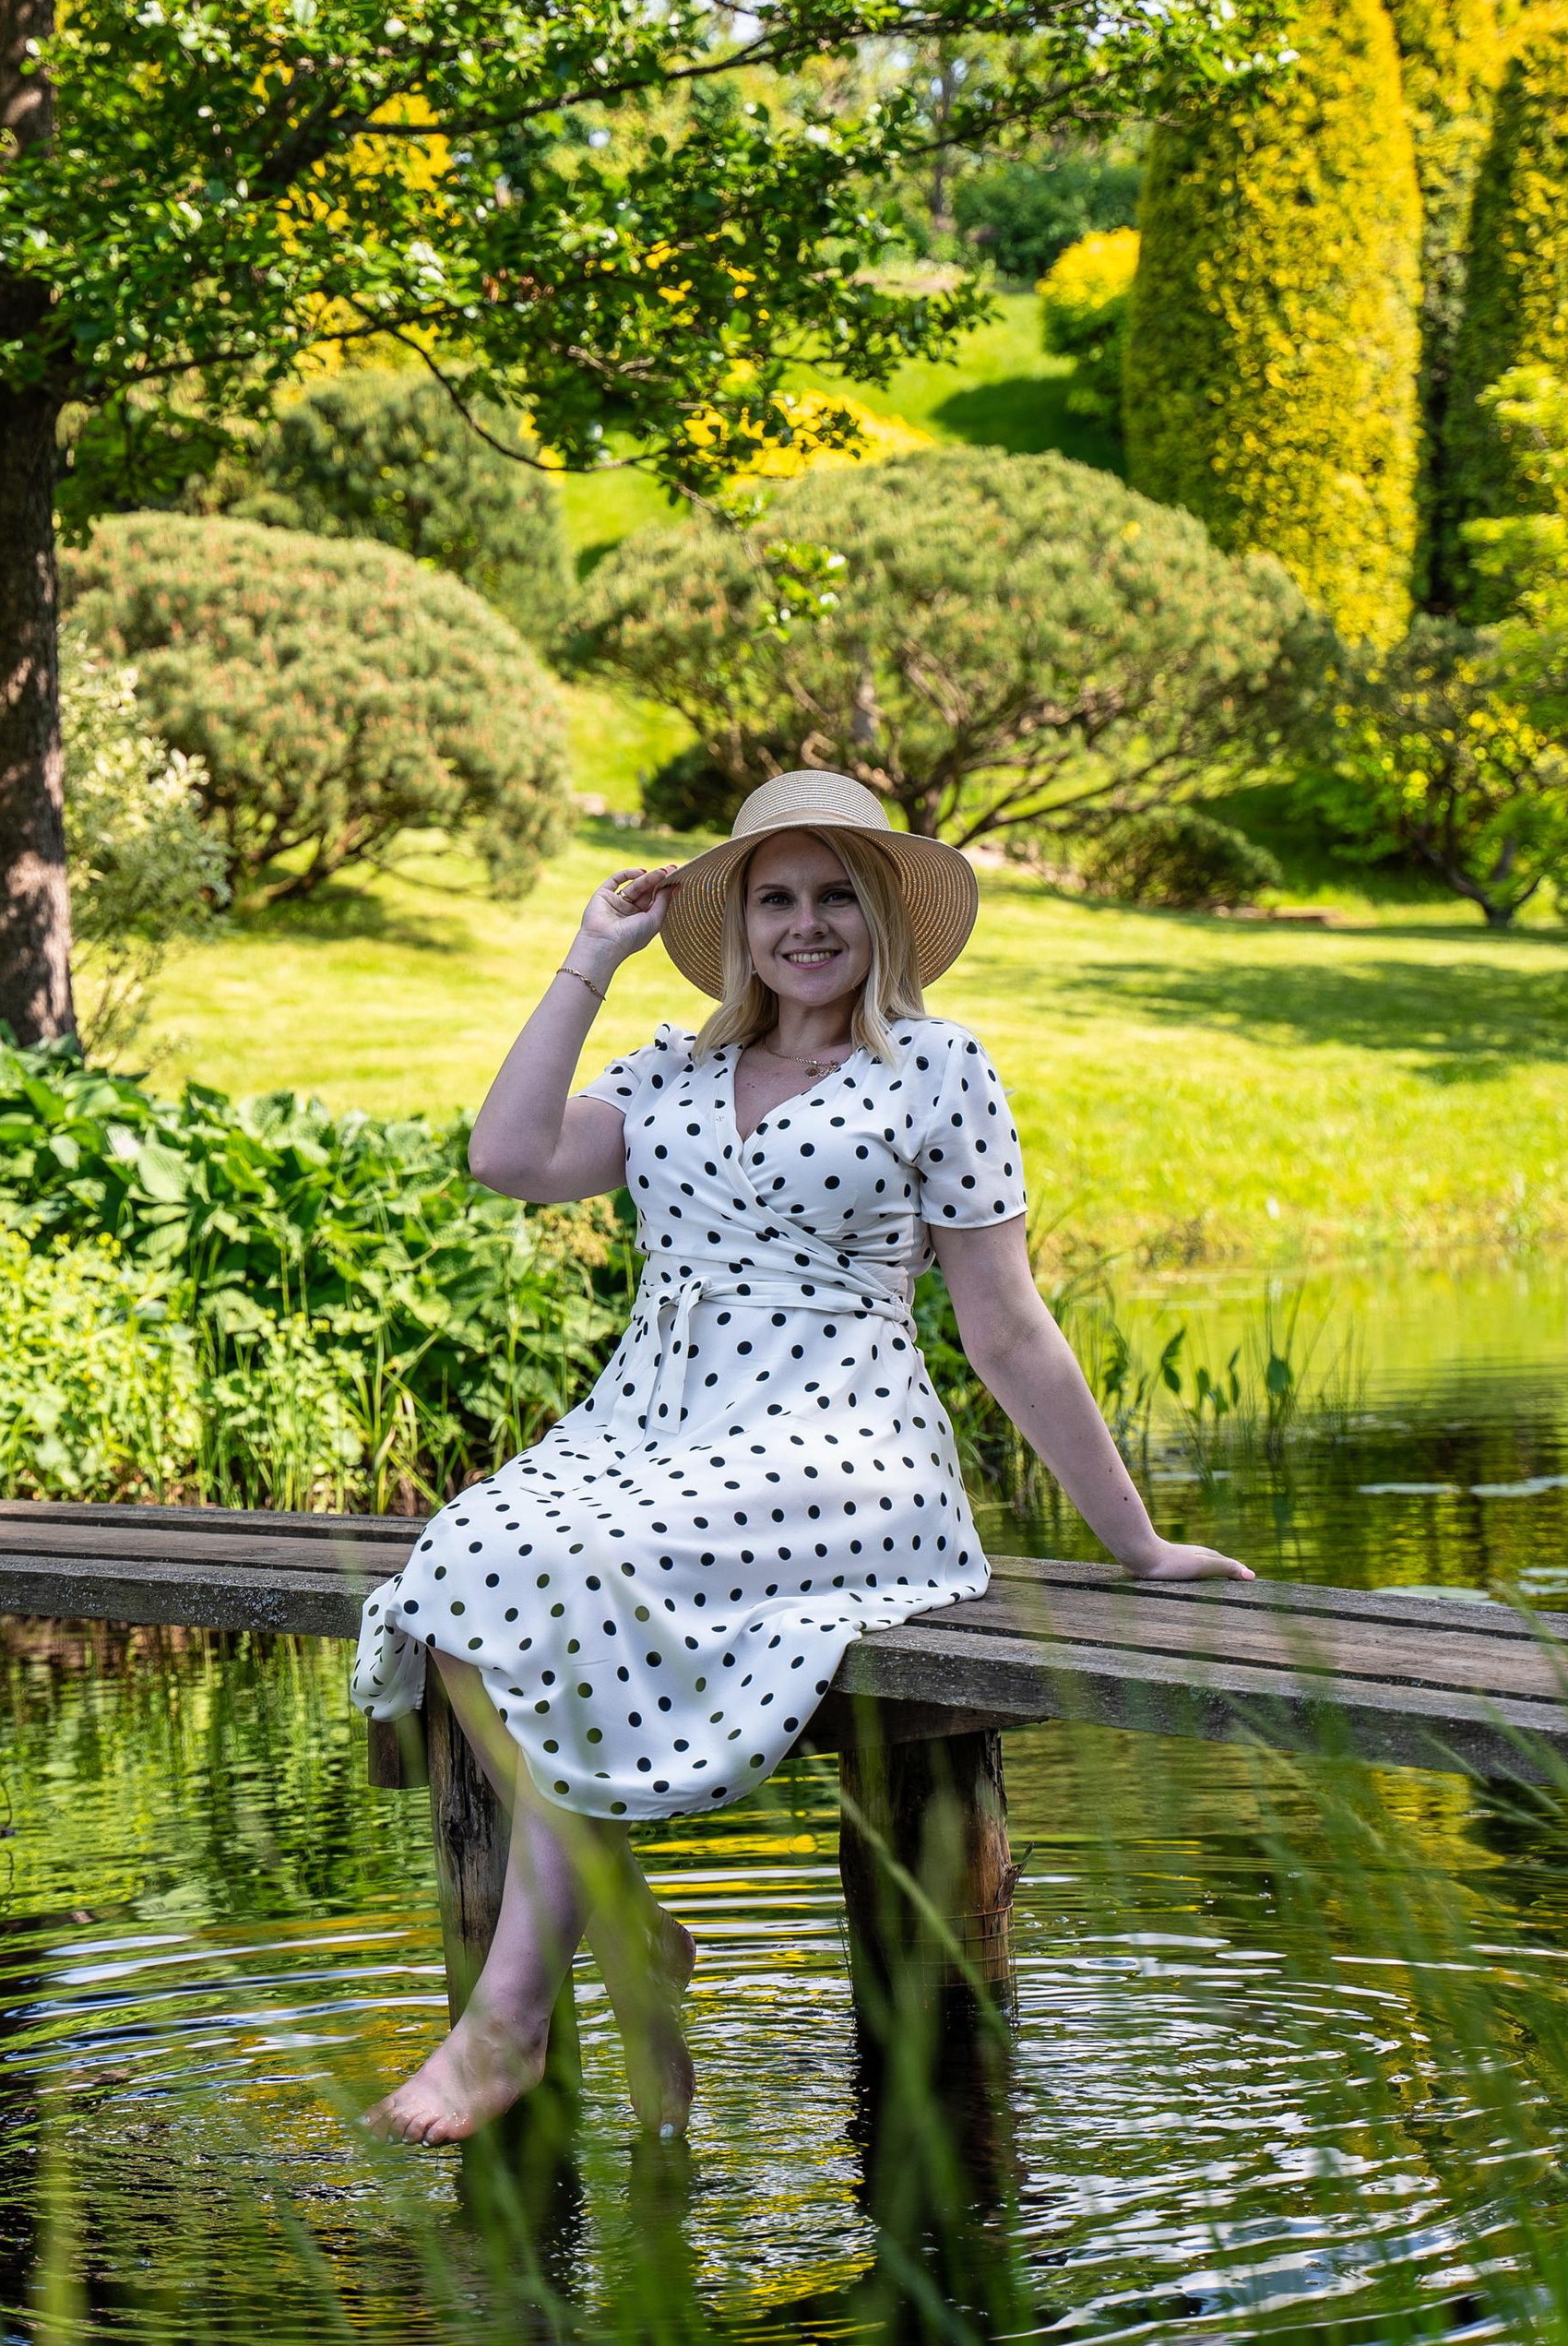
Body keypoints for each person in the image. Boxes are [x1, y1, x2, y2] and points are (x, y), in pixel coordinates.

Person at [351, 768, 1253, 2149]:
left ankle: (509, 2024)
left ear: (883, 918)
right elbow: (509, 1156)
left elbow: (1006, 1329)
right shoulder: (675, 1073)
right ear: (739, 926)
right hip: (650, 1428)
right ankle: (633, 1931)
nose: (807, 924)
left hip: (844, 1441)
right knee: (463, 1561)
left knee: (579, 1561)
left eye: (837, 895)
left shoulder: (938, 1072)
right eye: (777, 898)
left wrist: (1135, 1541)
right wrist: (588, 960)